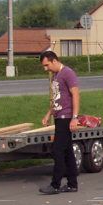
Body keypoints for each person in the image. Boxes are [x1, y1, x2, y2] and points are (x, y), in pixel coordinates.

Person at [39, 51, 80, 194]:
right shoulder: (55, 76)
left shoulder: (68, 73)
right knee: (68, 152)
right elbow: (57, 98)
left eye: (47, 65)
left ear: (54, 61)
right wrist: (48, 114)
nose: (46, 69)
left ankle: (55, 185)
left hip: (66, 117)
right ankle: (72, 184)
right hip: (58, 116)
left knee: (57, 150)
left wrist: (74, 117)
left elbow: (75, 94)